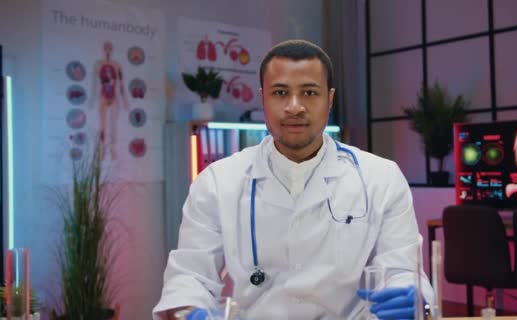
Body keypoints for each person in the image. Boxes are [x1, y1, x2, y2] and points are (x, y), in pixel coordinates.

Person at [153, 40, 434, 320]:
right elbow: (190, 275)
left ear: (330, 98)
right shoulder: (217, 181)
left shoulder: (380, 178)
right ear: (263, 98)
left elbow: (401, 269)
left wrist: (408, 297)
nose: (295, 107)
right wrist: (188, 312)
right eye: (280, 92)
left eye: (310, 92)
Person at [90, 41, 129, 160]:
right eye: (106, 48)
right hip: (103, 96)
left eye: (110, 48)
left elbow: (121, 84)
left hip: (114, 96)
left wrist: (124, 100)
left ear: (112, 50)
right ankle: (102, 150)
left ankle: (112, 149)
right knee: (102, 125)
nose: (108, 51)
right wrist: (92, 98)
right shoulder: (97, 64)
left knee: (113, 125)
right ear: (102, 49)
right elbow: (94, 83)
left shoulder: (117, 65)